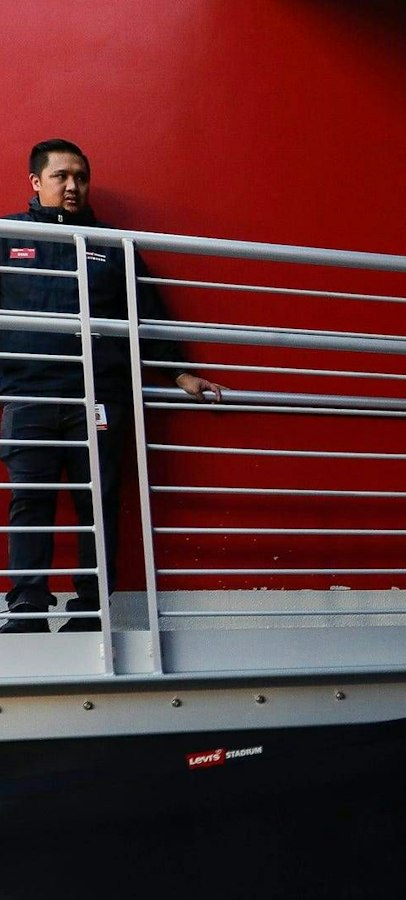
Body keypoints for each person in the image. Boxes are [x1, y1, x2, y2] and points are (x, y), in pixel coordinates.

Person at [0, 139, 220, 633]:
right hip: (29, 393)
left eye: (80, 176)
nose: (73, 186)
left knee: (96, 499)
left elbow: (148, 314)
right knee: (30, 498)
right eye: (61, 176)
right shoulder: (7, 236)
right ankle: (27, 607)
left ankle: (91, 609)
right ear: (36, 182)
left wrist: (180, 373)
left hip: (100, 395)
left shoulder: (112, 244)